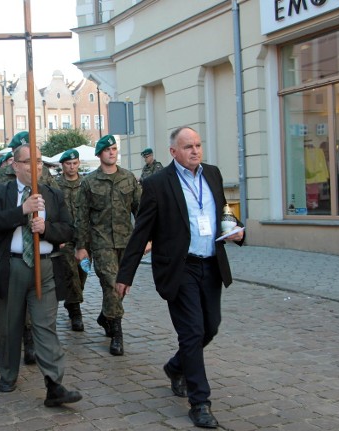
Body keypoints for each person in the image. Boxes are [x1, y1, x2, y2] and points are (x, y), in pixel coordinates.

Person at [116, 126, 245, 429]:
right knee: (191, 332)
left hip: (211, 264)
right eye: (188, 147)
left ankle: (176, 367)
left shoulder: (212, 174)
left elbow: (221, 212)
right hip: (180, 268)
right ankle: (200, 402)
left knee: (209, 328)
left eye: (198, 145)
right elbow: (142, 232)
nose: (195, 151)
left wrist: (237, 230)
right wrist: (126, 274)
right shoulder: (158, 184)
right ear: (173, 152)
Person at [0, 144, 82, 407]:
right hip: (12, 267)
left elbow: (68, 230)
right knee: (9, 325)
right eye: (28, 162)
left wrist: (46, 228)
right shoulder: (0, 192)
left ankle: (54, 384)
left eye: (38, 161)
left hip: (44, 267)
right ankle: (8, 375)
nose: (35, 167)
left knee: (45, 326)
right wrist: (22, 211)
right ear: (15, 165)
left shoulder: (52, 194)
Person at [74, 135, 141, 356]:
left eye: (114, 149)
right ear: (99, 154)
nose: (112, 153)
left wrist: (147, 239)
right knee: (112, 284)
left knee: (121, 286)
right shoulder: (89, 182)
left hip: (126, 242)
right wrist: (82, 247)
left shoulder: (129, 179)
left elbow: (141, 211)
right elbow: (82, 217)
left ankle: (105, 316)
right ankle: (118, 334)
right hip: (101, 242)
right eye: (107, 149)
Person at [55, 149, 87, 331]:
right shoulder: (56, 185)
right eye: (68, 163)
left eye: (75, 163)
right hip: (65, 238)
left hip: (84, 238)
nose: (72, 167)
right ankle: (76, 311)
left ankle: (72, 302)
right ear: (63, 165)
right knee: (70, 273)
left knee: (82, 273)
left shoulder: (86, 183)